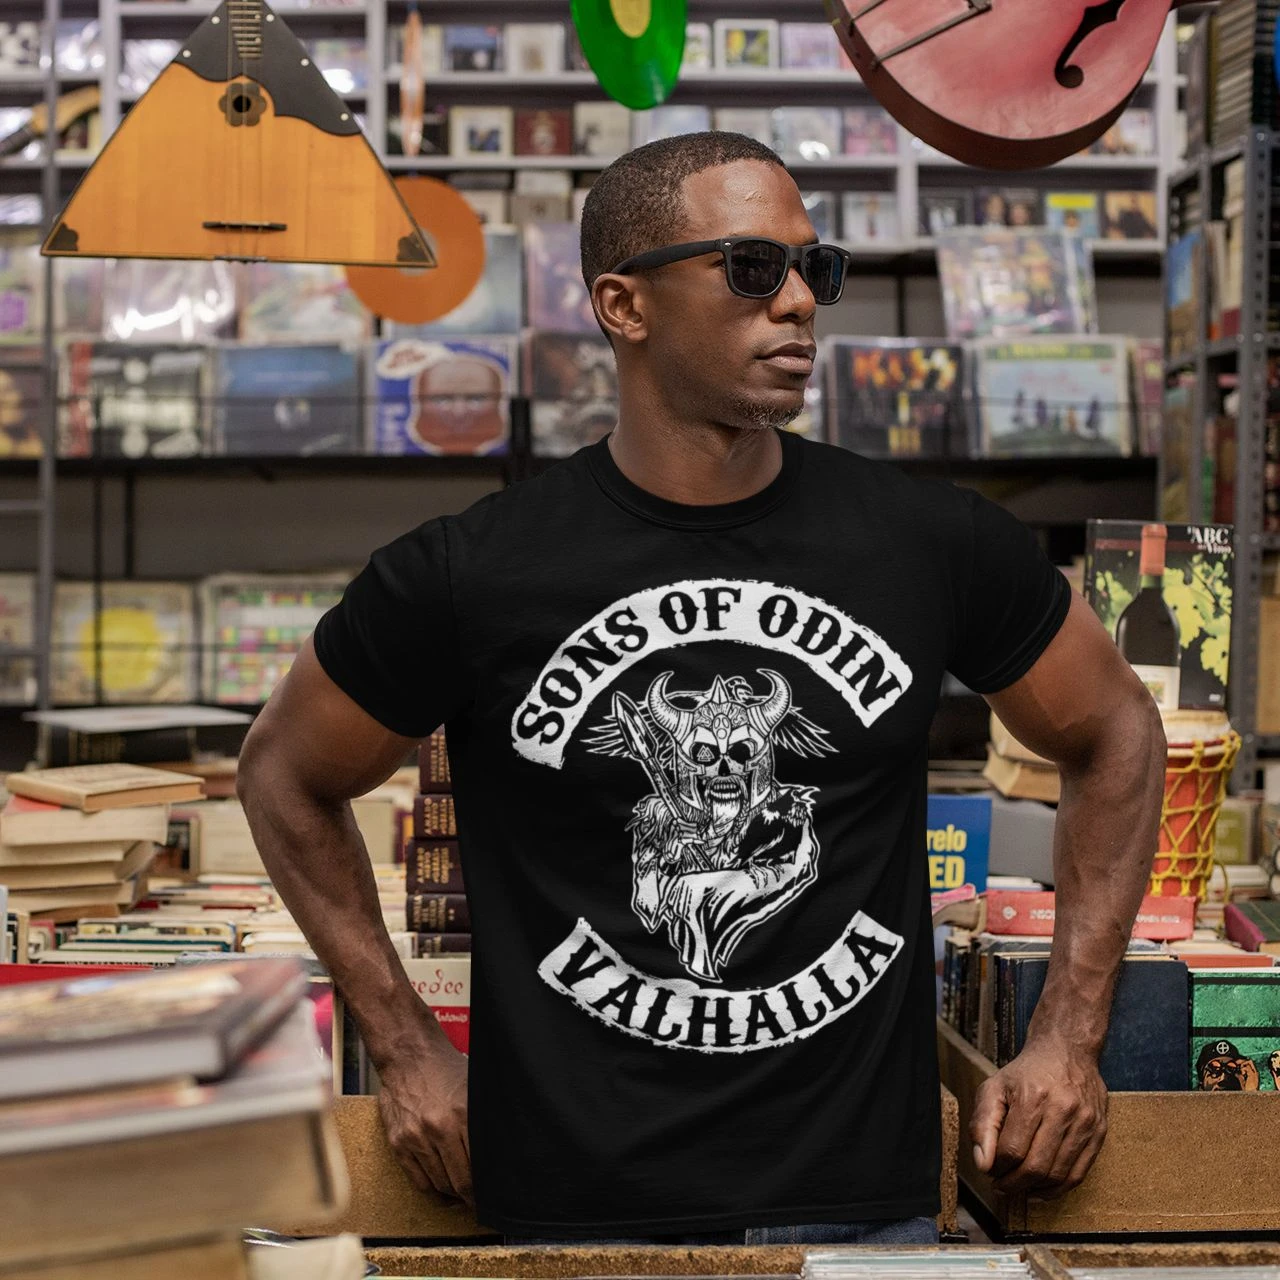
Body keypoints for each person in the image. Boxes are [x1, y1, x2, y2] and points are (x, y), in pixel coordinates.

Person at [237, 132, 1166, 1246]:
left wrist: (1067, 1036)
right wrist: (402, 1047)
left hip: (857, 1214)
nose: (798, 302)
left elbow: (1115, 728)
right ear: (623, 305)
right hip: (572, 1221)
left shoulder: (927, 542)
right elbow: (283, 774)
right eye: (750, 267)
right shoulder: (472, 571)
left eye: (813, 268)